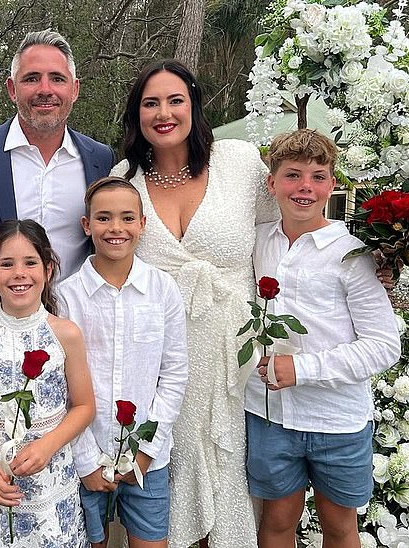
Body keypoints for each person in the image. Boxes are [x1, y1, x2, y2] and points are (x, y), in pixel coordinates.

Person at [111, 59, 280, 548]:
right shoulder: (124, 178)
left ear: (194, 106)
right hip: (159, 353)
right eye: (150, 103)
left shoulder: (240, 162)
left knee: (232, 467)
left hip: (234, 349)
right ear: (136, 114)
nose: (163, 113)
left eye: (175, 100)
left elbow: (287, 224)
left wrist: (361, 259)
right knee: (168, 462)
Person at [245, 129, 401, 548]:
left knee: (339, 525)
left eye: (318, 176)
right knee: (276, 522)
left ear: (333, 184)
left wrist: (303, 368)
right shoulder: (256, 241)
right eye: (293, 175)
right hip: (270, 416)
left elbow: (384, 345)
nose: (305, 188)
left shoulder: (353, 254)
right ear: (272, 182)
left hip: (336, 420)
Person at [0, 29, 116, 333]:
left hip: (76, 332)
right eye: (31, 79)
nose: (45, 89)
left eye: (57, 78)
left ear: (74, 89)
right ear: (12, 89)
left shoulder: (100, 159)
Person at [0, 219, 95, 547]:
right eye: (6, 264)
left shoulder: (66, 334)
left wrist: (48, 445)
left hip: (51, 479)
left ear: (48, 270)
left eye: (30, 263)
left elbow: (84, 407)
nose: (19, 273)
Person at [58, 177, 188, 548]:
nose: (116, 228)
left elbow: (174, 373)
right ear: (87, 225)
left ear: (143, 224)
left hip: (148, 459)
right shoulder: (66, 296)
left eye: (128, 218)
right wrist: (85, 460)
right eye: (103, 218)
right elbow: (61, 384)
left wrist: (147, 449)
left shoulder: (163, 289)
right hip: (83, 455)